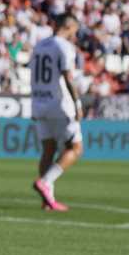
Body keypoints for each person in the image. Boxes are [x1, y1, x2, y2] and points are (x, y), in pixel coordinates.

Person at [30, 14, 84, 212]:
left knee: (49, 150)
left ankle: (47, 201)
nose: (74, 35)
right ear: (68, 26)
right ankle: (45, 182)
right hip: (60, 104)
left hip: (40, 102)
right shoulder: (64, 46)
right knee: (75, 148)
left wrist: (34, 102)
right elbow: (68, 77)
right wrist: (77, 103)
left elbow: (33, 77)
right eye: (74, 30)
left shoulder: (39, 46)